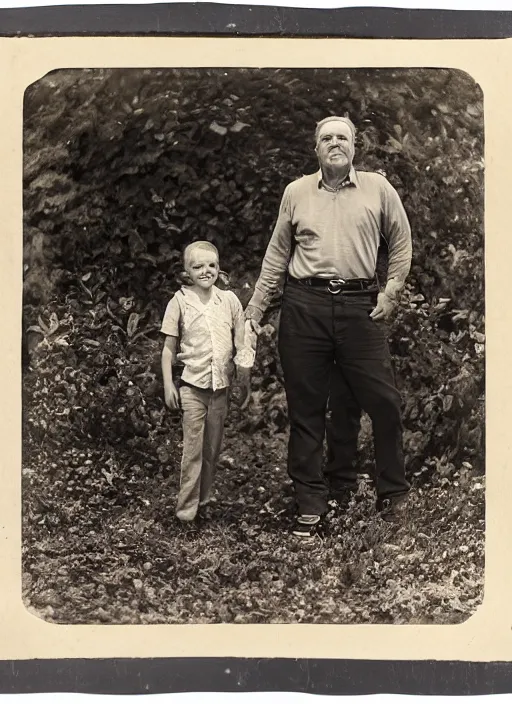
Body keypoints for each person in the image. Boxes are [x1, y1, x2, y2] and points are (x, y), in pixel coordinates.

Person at [245, 115, 413, 537]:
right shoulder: (296, 192)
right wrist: (253, 313)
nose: (334, 143)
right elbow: (276, 256)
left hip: (361, 305)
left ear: (355, 146)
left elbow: (401, 243)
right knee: (307, 409)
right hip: (304, 306)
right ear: (315, 148)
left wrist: (390, 292)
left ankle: (393, 495)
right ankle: (311, 501)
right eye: (326, 138)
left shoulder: (378, 188)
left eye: (342, 137)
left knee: (384, 403)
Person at [161, 241, 253, 523]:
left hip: (220, 390)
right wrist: (168, 384)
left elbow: (242, 343)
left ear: (219, 269)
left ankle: (205, 503)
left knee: (212, 450)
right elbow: (168, 348)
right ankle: (185, 514)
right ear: (187, 271)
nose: (205, 271)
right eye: (198, 266)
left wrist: (244, 381)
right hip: (192, 388)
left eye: (211, 265)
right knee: (193, 451)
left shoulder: (228, 301)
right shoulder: (180, 301)